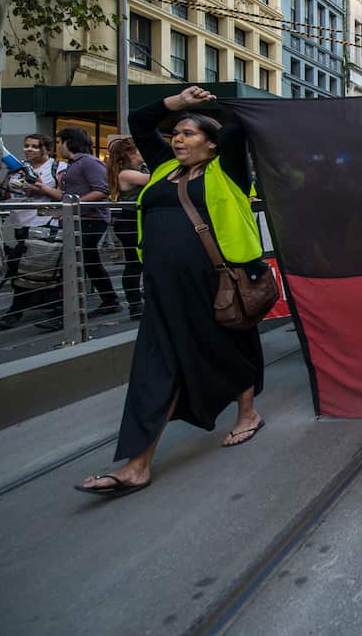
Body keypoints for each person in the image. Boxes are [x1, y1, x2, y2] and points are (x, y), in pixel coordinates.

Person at [76, 86, 267, 497]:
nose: (177, 139)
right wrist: (177, 104)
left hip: (215, 281)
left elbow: (237, 128)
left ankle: (247, 414)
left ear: (211, 143)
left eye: (188, 133)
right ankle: (137, 464)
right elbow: (140, 124)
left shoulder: (227, 168)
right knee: (155, 366)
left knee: (229, 345)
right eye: (176, 133)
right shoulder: (163, 169)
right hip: (162, 285)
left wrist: (213, 105)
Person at [24, 126, 119, 325]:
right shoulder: (74, 165)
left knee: (74, 262)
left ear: (68, 142)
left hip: (91, 219)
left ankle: (67, 312)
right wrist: (42, 188)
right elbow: (66, 196)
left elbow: (102, 190)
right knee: (89, 262)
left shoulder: (88, 163)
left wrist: (73, 207)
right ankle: (109, 300)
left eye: (60, 142)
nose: (59, 147)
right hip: (82, 218)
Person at [0, 134, 61, 329]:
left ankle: (16, 313)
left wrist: (39, 190)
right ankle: (52, 309)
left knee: (28, 270)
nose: (29, 150)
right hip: (21, 225)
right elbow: (3, 196)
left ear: (48, 150)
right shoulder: (17, 170)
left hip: (44, 225)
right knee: (25, 269)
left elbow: (63, 195)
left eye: (35, 147)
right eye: (27, 146)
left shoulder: (58, 168)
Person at [106, 136, 151, 319]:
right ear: (130, 154)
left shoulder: (138, 168)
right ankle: (135, 305)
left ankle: (143, 300)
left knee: (143, 263)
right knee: (134, 264)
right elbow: (154, 180)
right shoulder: (126, 173)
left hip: (139, 220)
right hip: (130, 221)